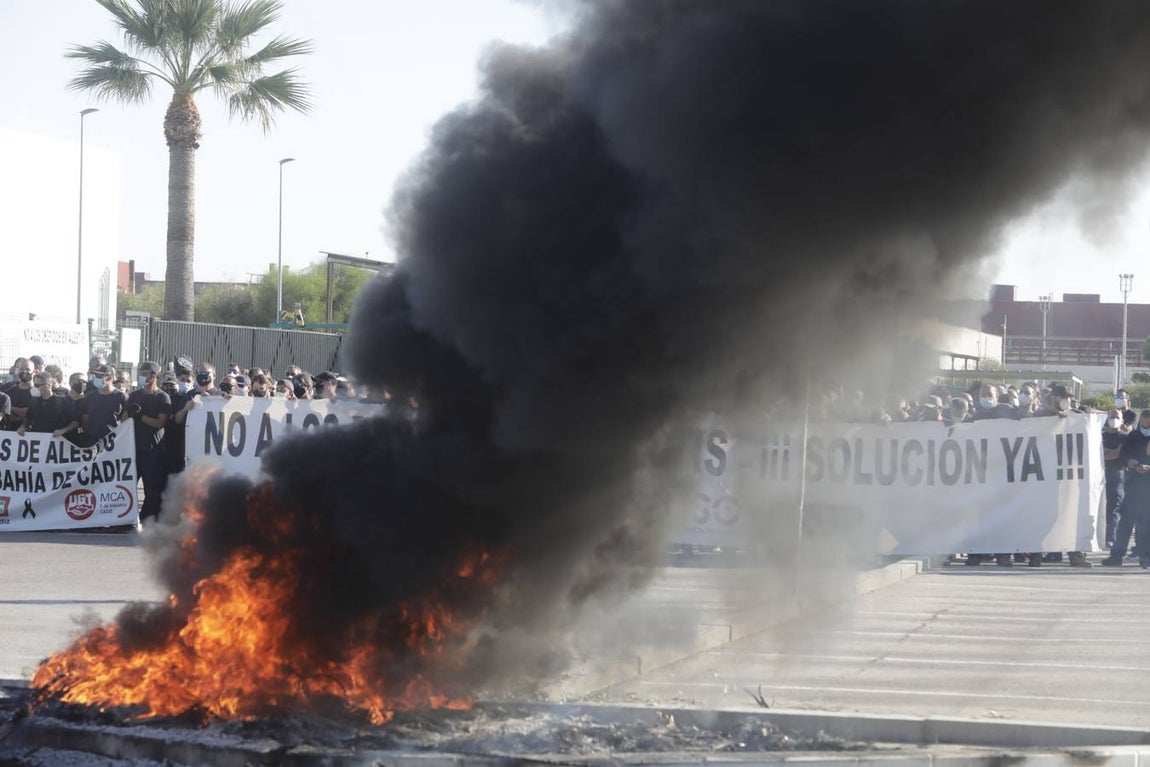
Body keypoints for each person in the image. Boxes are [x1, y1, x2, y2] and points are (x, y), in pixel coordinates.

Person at [1103, 409, 1150, 568]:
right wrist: (1130, 462)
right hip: (1133, 483)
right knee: (1126, 521)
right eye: (1143, 424)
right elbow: (1123, 455)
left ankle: (1145, 555)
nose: (1145, 428)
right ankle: (1116, 555)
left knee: (1146, 522)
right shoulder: (1133, 436)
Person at [127, 361, 171, 524]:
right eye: (140, 372)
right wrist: (129, 414)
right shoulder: (134, 396)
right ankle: (127, 519)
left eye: (144, 373)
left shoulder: (162, 397)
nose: (141, 376)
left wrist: (141, 416)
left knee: (151, 489)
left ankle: (147, 521)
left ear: (154, 375)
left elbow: (160, 422)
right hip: (134, 450)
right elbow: (125, 419)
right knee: (128, 486)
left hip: (153, 451)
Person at [18, 371, 78, 438]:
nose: (35, 387)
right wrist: (22, 427)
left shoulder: (62, 401)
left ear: (48, 386)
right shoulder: (34, 401)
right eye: (34, 384)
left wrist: (63, 430)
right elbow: (28, 418)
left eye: (37, 385)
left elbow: (75, 422)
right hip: (38, 440)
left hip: (57, 441)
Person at [81, 364, 129, 446]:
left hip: (113, 442)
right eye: (96, 376)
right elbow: (85, 420)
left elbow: (125, 423)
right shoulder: (89, 397)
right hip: (92, 442)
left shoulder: (121, 397)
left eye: (99, 376)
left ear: (109, 378)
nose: (96, 378)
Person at [1102, 409, 1130, 548]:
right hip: (1101, 474)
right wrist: (1113, 452)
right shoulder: (1101, 436)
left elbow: (1119, 454)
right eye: (1112, 416)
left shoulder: (1125, 437)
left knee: (1114, 507)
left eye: (1117, 416)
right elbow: (1099, 453)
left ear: (1122, 420)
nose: (1114, 419)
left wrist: (1110, 452)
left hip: (1118, 474)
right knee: (1101, 507)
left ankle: (1110, 538)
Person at [4, 358, 35, 432]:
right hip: (10, 433)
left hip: (31, 434)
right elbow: (6, 415)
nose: (24, 371)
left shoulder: (37, 393)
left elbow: (30, 413)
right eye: (21, 369)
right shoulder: (10, 391)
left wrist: (10, 408)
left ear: (34, 372)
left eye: (27, 369)